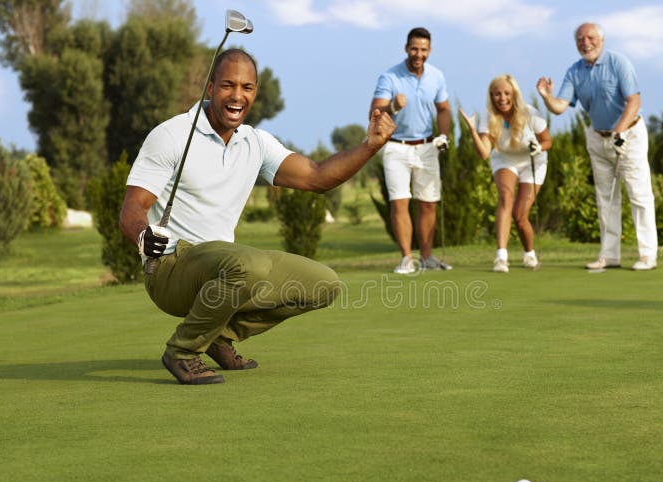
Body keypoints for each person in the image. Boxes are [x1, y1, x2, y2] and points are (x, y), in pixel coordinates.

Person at [120, 49, 395, 385]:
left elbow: (318, 177)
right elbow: (133, 207)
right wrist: (142, 235)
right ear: (209, 89)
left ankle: (218, 337)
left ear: (255, 93)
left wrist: (370, 145)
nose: (238, 96)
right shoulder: (172, 135)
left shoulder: (257, 143)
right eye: (227, 85)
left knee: (324, 284)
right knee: (248, 264)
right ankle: (183, 350)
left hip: (226, 269)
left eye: (247, 87)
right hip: (170, 268)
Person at [536, 22, 658, 271]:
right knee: (606, 198)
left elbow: (634, 101)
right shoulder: (574, 71)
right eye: (580, 39)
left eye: (590, 37)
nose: (585, 43)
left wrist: (619, 131)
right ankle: (609, 255)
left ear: (601, 39)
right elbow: (560, 107)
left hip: (629, 134)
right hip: (597, 137)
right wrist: (547, 97)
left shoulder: (618, 62)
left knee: (639, 194)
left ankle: (647, 255)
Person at [370, 27, 453, 274]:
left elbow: (444, 109)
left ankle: (426, 257)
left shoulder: (437, 76)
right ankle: (407, 258)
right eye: (414, 48)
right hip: (396, 147)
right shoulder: (390, 77)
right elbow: (374, 114)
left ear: (430, 50)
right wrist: (393, 106)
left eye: (423, 49)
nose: (418, 54)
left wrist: (444, 136)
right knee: (400, 203)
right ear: (406, 48)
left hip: (428, 147)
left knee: (428, 204)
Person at [459, 75, 551, 272]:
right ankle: (501, 257)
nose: (502, 98)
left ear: (514, 94)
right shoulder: (488, 117)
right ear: (491, 96)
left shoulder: (530, 113)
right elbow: (484, 153)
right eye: (497, 94)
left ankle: (529, 253)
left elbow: (547, 141)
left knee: (520, 215)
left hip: (532, 160)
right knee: (505, 198)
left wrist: (538, 147)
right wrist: (473, 131)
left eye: (507, 93)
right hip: (505, 159)